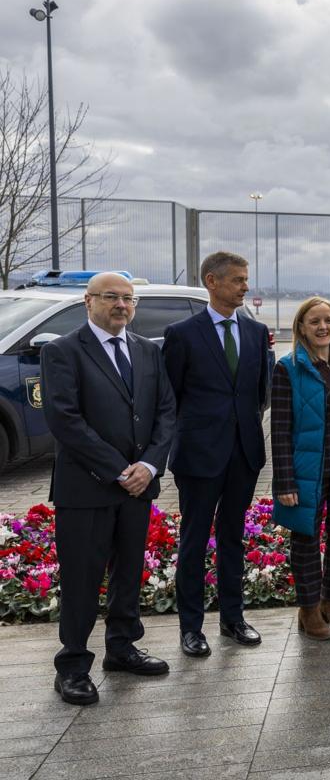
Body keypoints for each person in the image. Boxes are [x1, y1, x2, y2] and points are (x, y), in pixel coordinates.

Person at [41, 272, 176, 705]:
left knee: (127, 574)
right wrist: (120, 470)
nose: (122, 305)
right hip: (87, 489)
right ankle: (73, 665)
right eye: (112, 298)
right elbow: (65, 421)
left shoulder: (147, 351)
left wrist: (151, 465)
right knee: (82, 578)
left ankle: (122, 647)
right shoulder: (62, 351)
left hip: (138, 487)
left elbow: (167, 413)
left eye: (128, 299)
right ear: (89, 301)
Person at [164, 251, 270, 657]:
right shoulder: (183, 334)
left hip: (243, 453)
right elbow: (170, 398)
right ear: (212, 281)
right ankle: (191, 628)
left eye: (246, 279)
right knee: (192, 542)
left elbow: (258, 394)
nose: (245, 286)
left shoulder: (256, 333)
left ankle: (233, 618)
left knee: (232, 538)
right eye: (238, 280)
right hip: (199, 456)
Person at [270, 297, 330, 640]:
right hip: (307, 469)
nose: (323, 327)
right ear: (301, 328)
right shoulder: (288, 368)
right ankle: (309, 608)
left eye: (328, 320)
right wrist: (284, 479)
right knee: (307, 539)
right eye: (315, 322)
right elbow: (279, 430)